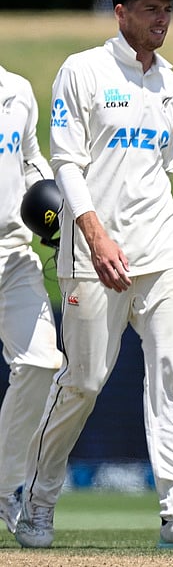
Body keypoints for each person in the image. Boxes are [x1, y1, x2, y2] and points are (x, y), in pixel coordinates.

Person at [14, 0, 173, 551]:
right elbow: (68, 165)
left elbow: (160, 172)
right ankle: (36, 498)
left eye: (168, 9)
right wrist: (97, 236)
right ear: (121, 12)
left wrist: (136, 237)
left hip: (162, 250)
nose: (162, 19)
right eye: (150, 8)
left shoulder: (172, 85)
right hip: (92, 254)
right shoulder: (81, 71)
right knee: (83, 381)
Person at [0, 66, 63, 537]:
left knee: (42, 362)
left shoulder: (17, 90)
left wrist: (49, 200)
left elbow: (29, 157)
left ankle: (4, 489)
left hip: (13, 253)